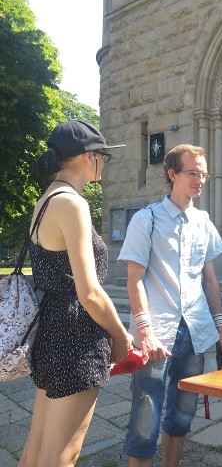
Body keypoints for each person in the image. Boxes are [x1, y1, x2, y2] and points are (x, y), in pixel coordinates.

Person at [19, 120, 133, 466]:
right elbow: (90, 293)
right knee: (62, 456)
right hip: (76, 339)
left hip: (51, 332)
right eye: (104, 157)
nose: (104, 164)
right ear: (88, 157)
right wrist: (121, 336)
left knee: (37, 450)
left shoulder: (46, 199)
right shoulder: (72, 203)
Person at [118, 144, 222, 467]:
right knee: (145, 418)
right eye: (193, 173)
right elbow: (134, 279)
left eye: (204, 174)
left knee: (183, 413)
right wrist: (144, 330)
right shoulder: (147, 220)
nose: (201, 180)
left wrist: (220, 327)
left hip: (195, 332)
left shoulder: (204, 222)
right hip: (155, 335)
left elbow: (209, 280)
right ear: (173, 174)